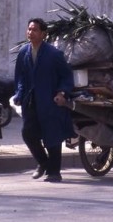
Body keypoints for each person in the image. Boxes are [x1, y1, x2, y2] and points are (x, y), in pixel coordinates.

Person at [13, 18, 75, 183]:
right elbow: (20, 77)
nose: (30, 33)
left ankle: (54, 172)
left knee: (52, 136)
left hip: (50, 101)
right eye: (29, 29)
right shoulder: (23, 52)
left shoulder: (53, 54)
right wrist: (19, 94)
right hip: (30, 101)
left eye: (34, 30)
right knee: (28, 134)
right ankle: (43, 162)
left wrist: (62, 92)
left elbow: (66, 76)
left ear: (43, 34)